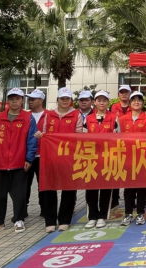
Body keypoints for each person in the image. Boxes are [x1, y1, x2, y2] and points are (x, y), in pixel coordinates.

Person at [0, 88, 37, 235]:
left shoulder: (28, 118)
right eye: (11, 98)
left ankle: (19, 220)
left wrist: (29, 159)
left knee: (19, 195)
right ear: (8, 100)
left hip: (19, 163)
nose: (14, 101)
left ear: (22, 100)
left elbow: (32, 140)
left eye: (17, 98)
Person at [40, 87, 84, 232]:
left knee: (69, 189)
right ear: (57, 100)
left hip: (69, 158)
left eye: (67, 98)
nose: (65, 101)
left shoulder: (76, 114)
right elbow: (45, 132)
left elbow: (79, 134)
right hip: (51, 158)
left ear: (71, 100)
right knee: (49, 188)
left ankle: (65, 219)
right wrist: (41, 136)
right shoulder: (49, 115)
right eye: (62, 98)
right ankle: (50, 221)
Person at [84, 90, 119, 229]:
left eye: (104, 100)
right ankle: (92, 216)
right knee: (91, 188)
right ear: (94, 102)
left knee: (106, 188)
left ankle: (102, 216)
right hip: (91, 158)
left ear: (108, 102)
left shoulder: (114, 118)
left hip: (108, 158)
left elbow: (118, 138)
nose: (102, 103)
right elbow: (82, 138)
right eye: (99, 100)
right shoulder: (88, 119)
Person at [119, 91, 146, 226]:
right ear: (130, 103)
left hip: (142, 157)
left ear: (143, 103)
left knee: (141, 187)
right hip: (127, 158)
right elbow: (118, 138)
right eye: (134, 100)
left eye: (139, 100)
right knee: (128, 188)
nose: (136, 102)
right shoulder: (121, 119)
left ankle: (140, 213)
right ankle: (127, 213)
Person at [25, 89, 49, 217]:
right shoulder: (25, 116)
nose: (30, 101)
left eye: (33, 99)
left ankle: (45, 210)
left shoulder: (49, 115)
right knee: (24, 185)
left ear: (41, 100)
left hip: (43, 156)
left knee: (43, 184)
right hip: (27, 156)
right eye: (29, 99)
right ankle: (22, 210)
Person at [110, 85, 132, 208]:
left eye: (126, 92)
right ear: (118, 94)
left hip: (131, 146)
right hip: (116, 145)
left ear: (130, 94)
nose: (124, 94)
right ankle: (115, 199)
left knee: (130, 172)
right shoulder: (113, 107)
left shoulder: (134, 107)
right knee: (116, 172)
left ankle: (131, 199)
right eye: (121, 92)